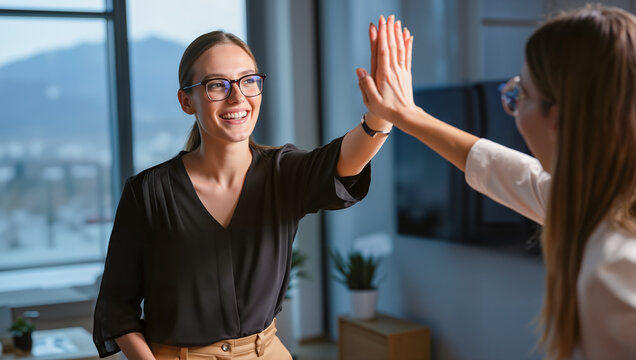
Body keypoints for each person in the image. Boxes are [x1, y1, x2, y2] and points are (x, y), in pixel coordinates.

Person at [93, 28, 407, 360]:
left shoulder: (282, 173)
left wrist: (380, 116)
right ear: (187, 101)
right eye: (217, 85)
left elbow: (340, 162)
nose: (237, 97)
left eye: (248, 80)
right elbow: (117, 307)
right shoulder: (147, 192)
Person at [357, 7, 636, 360]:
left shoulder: (614, 273)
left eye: (520, 96)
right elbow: (504, 169)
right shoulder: (597, 201)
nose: (513, 108)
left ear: (558, 118)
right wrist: (408, 115)